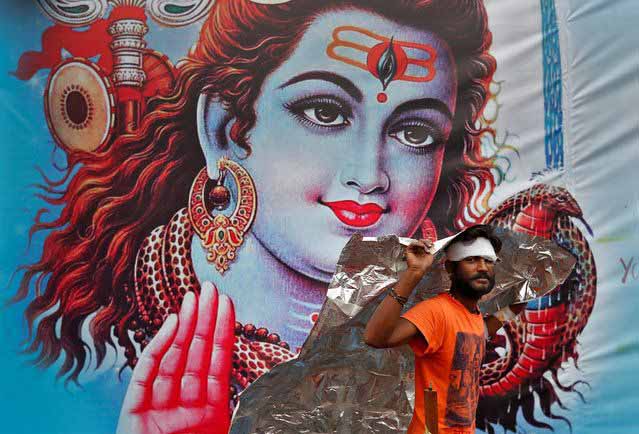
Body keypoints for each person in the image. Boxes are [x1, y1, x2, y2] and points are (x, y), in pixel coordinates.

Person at [16, 1, 500, 433]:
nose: (368, 174)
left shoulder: (455, 333)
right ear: (225, 128)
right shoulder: (99, 343)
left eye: (414, 134)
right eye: (326, 113)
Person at [364, 225, 524, 434]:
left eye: (488, 261)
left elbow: (480, 331)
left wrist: (514, 309)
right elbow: (375, 338)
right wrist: (414, 273)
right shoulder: (436, 312)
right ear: (450, 268)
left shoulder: (471, 315)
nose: (483, 267)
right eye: (471, 259)